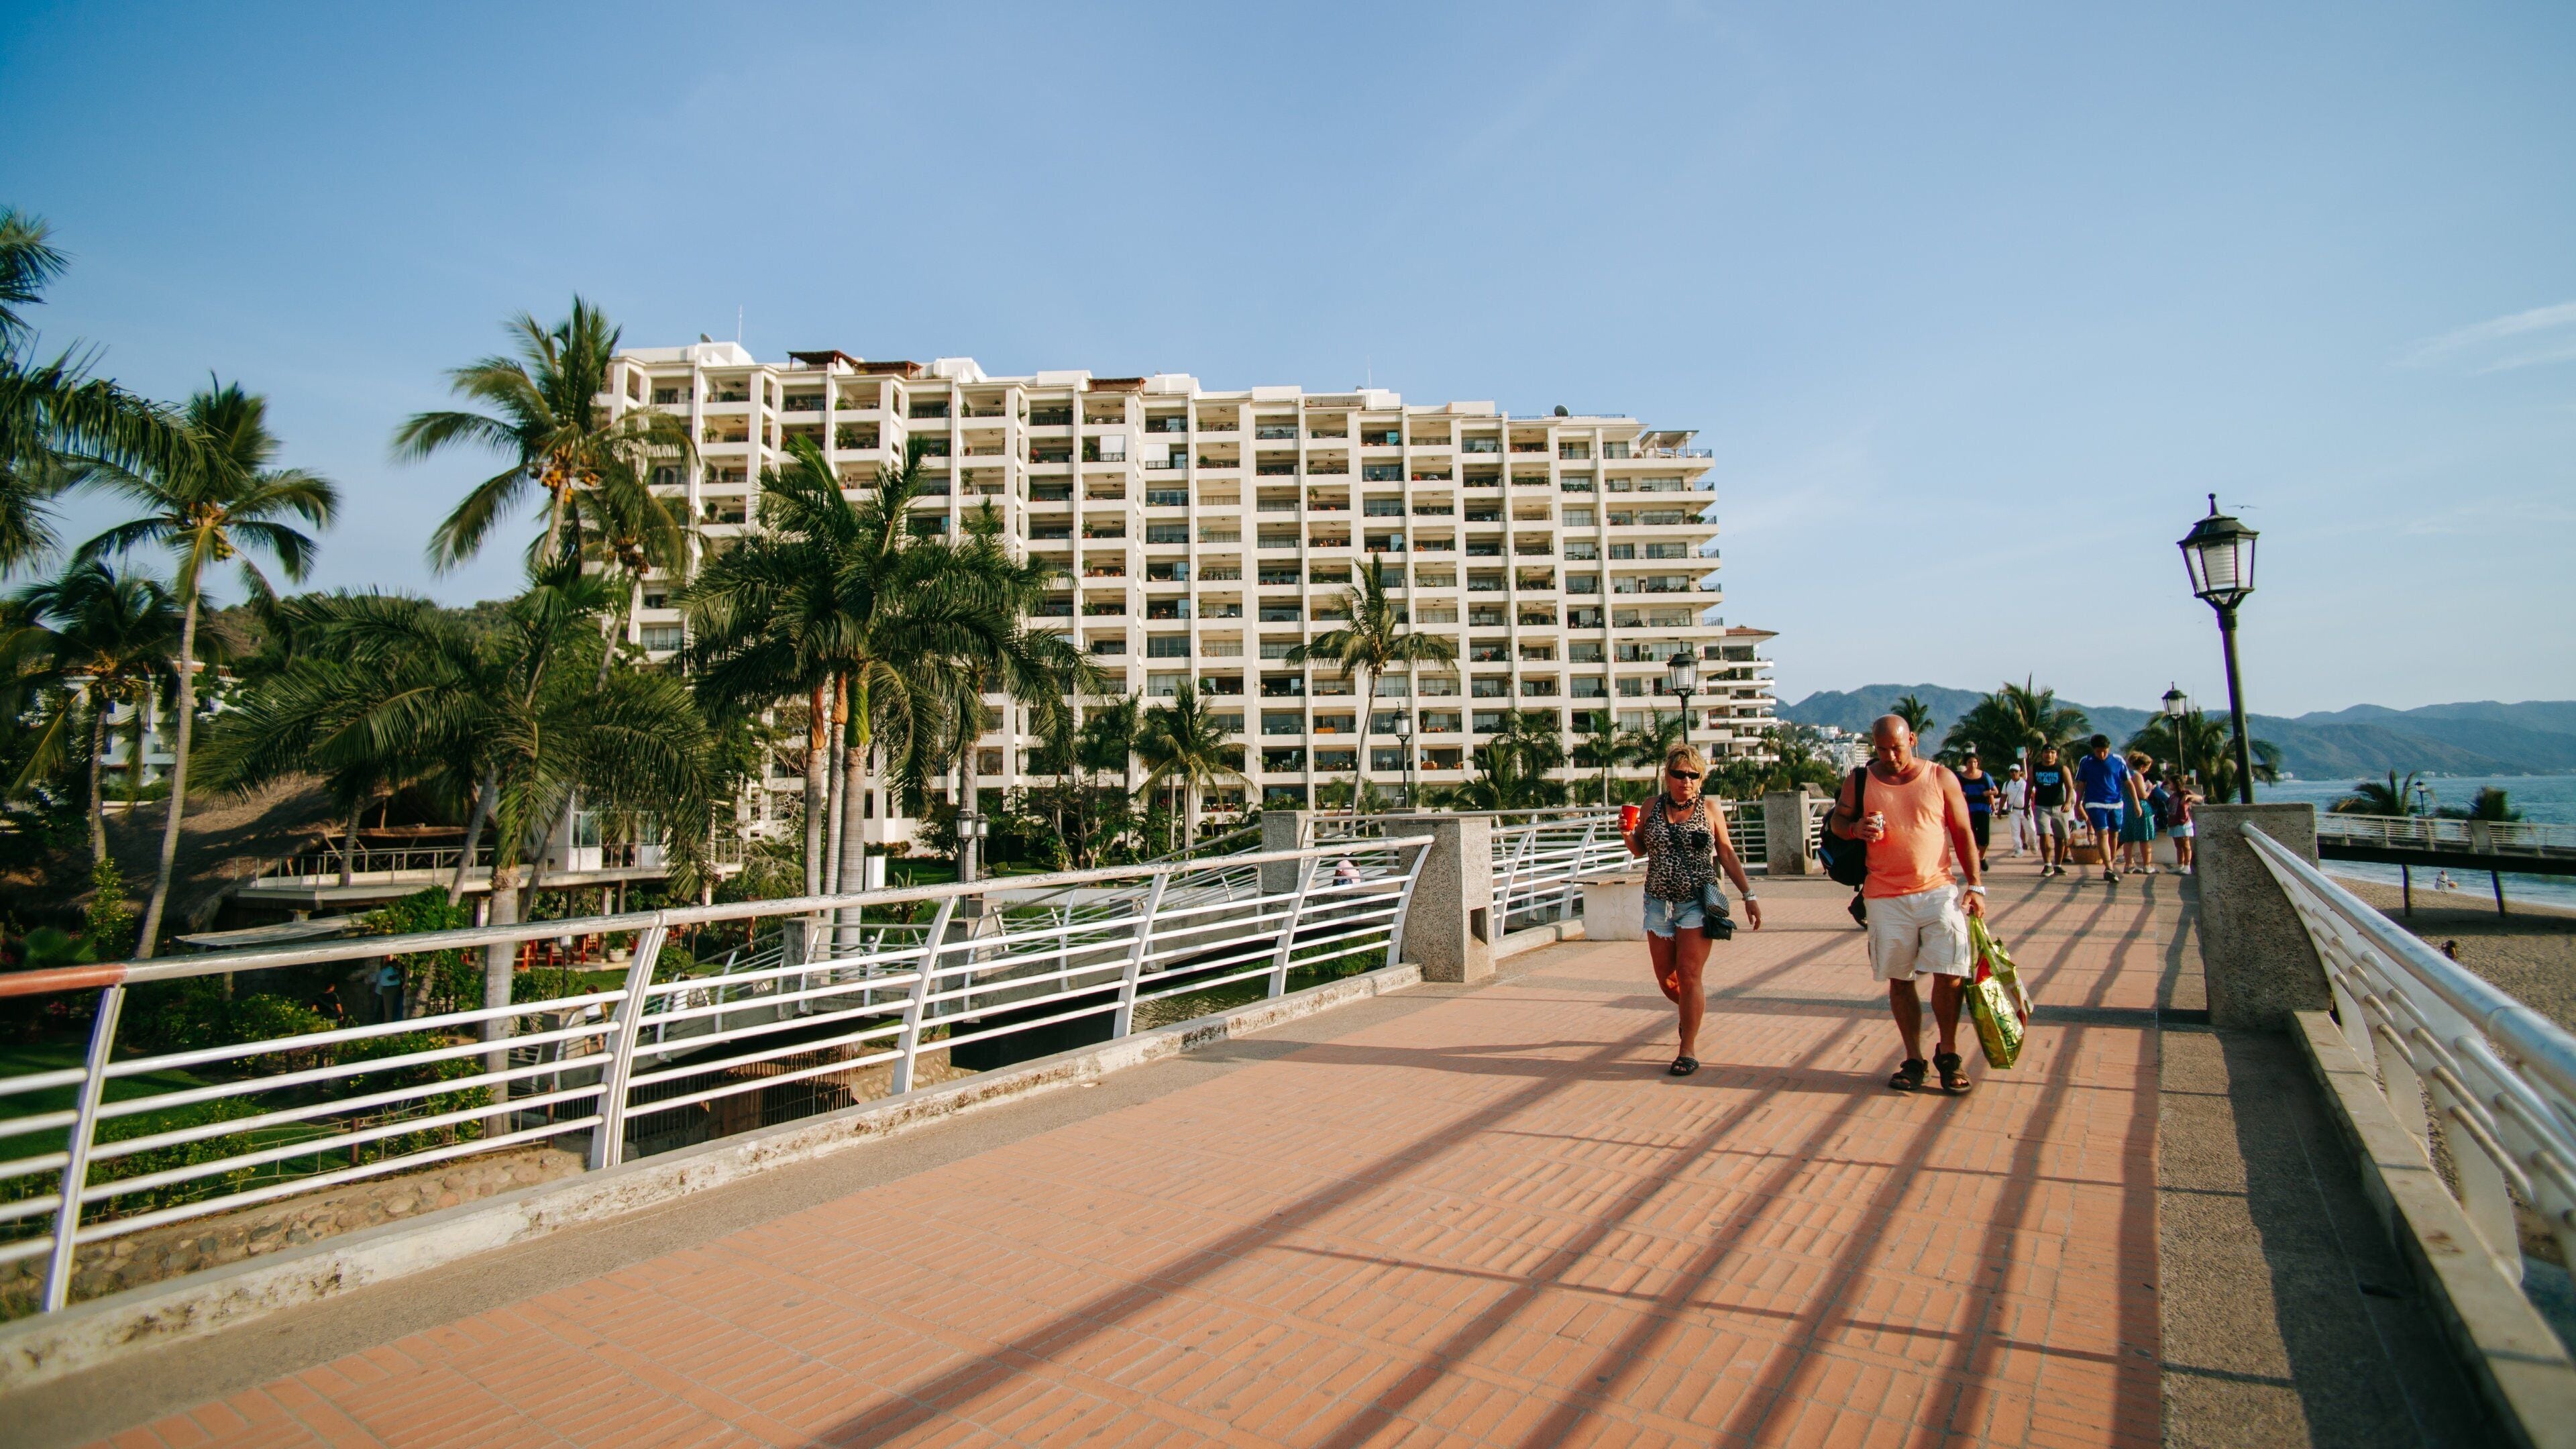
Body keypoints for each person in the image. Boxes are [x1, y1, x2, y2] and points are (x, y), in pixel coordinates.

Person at [1826, 715, 1986, 1095]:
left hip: (1938, 891)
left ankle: (1948, 1054)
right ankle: (1914, 1059)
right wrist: (1854, 829)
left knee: (1950, 973)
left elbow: (1963, 831)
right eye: (1882, 749)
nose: (1890, 756)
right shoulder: (1860, 779)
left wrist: (1977, 886)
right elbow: (1837, 821)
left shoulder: (1940, 777)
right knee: (1900, 980)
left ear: (1912, 739)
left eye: (1896, 748)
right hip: (1884, 895)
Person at [1619, 743, 1762, 1077]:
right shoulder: (1651, 806)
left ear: (1701, 779)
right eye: (1679, 774)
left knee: (1689, 973)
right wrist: (1627, 835)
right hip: (1657, 902)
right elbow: (1640, 849)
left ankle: (1688, 1049)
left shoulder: (1710, 810)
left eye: (1693, 775)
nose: (1685, 780)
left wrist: (1749, 895)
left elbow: (1726, 853)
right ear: (1667, 776)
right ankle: (1690, 1014)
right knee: (1667, 980)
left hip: (1697, 902)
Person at [2076, 735, 2131, 885]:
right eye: (2099, 752)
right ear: (2094, 750)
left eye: (2105, 752)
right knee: (2102, 833)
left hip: (2115, 803)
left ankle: (2110, 863)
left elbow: (2128, 782)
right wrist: (2078, 804)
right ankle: (2108, 867)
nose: (2102, 755)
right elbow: (2081, 784)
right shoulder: (2086, 761)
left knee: (2114, 834)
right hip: (2095, 803)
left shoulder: (2118, 760)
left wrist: (2137, 803)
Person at [2028, 744, 2072, 876]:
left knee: (2061, 837)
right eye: (2047, 752)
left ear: (2056, 755)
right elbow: (2029, 787)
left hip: (2059, 806)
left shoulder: (2062, 769)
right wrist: (2026, 806)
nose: (2049, 755)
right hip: (2041, 806)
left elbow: (2070, 787)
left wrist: (2068, 802)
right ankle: (2047, 865)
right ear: (2042, 754)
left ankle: (2058, 865)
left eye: (2052, 752)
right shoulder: (2034, 768)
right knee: (2044, 834)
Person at [1955, 750, 1998, 872]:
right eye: (1970, 762)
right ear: (1966, 764)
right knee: (1971, 837)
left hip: (1983, 809)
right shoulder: (1960, 778)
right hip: (1967, 810)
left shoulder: (1985, 776)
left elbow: (1996, 791)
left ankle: (1982, 857)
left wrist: (1988, 793)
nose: (1972, 765)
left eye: (1975, 762)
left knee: (1984, 839)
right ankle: (1973, 861)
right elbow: (1952, 790)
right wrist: (1960, 793)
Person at [2121, 753, 2159, 875]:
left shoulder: (2124, 774)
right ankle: (2147, 865)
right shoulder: (2137, 775)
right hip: (2140, 807)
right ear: (2143, 766)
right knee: (2145, 838)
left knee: (2129, 838)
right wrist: (2150, 789)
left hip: (2127, 807)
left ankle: (2128, 864)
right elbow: (2143, 795)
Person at [2004, 763, 2035, 858]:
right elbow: (2003, 797)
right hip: (2014, 811)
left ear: (2019, 772)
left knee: (2032, 830)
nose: (2014, 773)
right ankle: (2018, 849)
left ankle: (2032, 843)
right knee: (2015, 831)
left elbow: (2032, 795)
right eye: (2012, 771)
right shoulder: (2007, 784)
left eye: (2016, 771)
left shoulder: (2026, 783)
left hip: (2026, 810)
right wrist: (2000, 810)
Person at [2167, 776, 2198, 871]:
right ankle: (2180, 865)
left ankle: (2187, 866)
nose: (2169, 785)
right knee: (2178, 845)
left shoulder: (2185, 793)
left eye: (2171, 783)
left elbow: (2200, 799)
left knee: (2185, 845)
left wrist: (2189, 796)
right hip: (2173, 822)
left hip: (2183, 822)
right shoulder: (2173, 795)